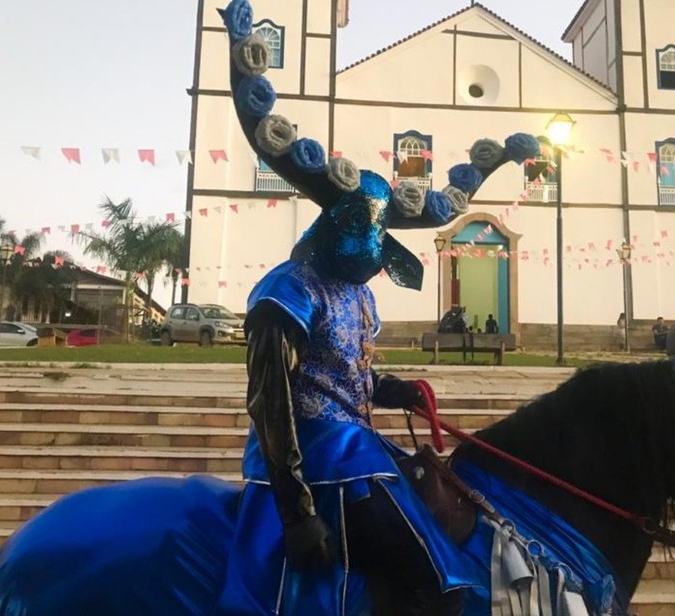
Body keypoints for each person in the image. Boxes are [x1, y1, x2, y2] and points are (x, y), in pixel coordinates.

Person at [216, 4, 543, 613]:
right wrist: (297, 510)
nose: (373, 255)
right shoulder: (287, 291)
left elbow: (350, 377)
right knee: (437, 576)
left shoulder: (359, 295)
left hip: (357, 446)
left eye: (380, 244)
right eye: (362, 236)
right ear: (330, 224)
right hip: (314, 458)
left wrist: (393, 390)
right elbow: (271, 401)